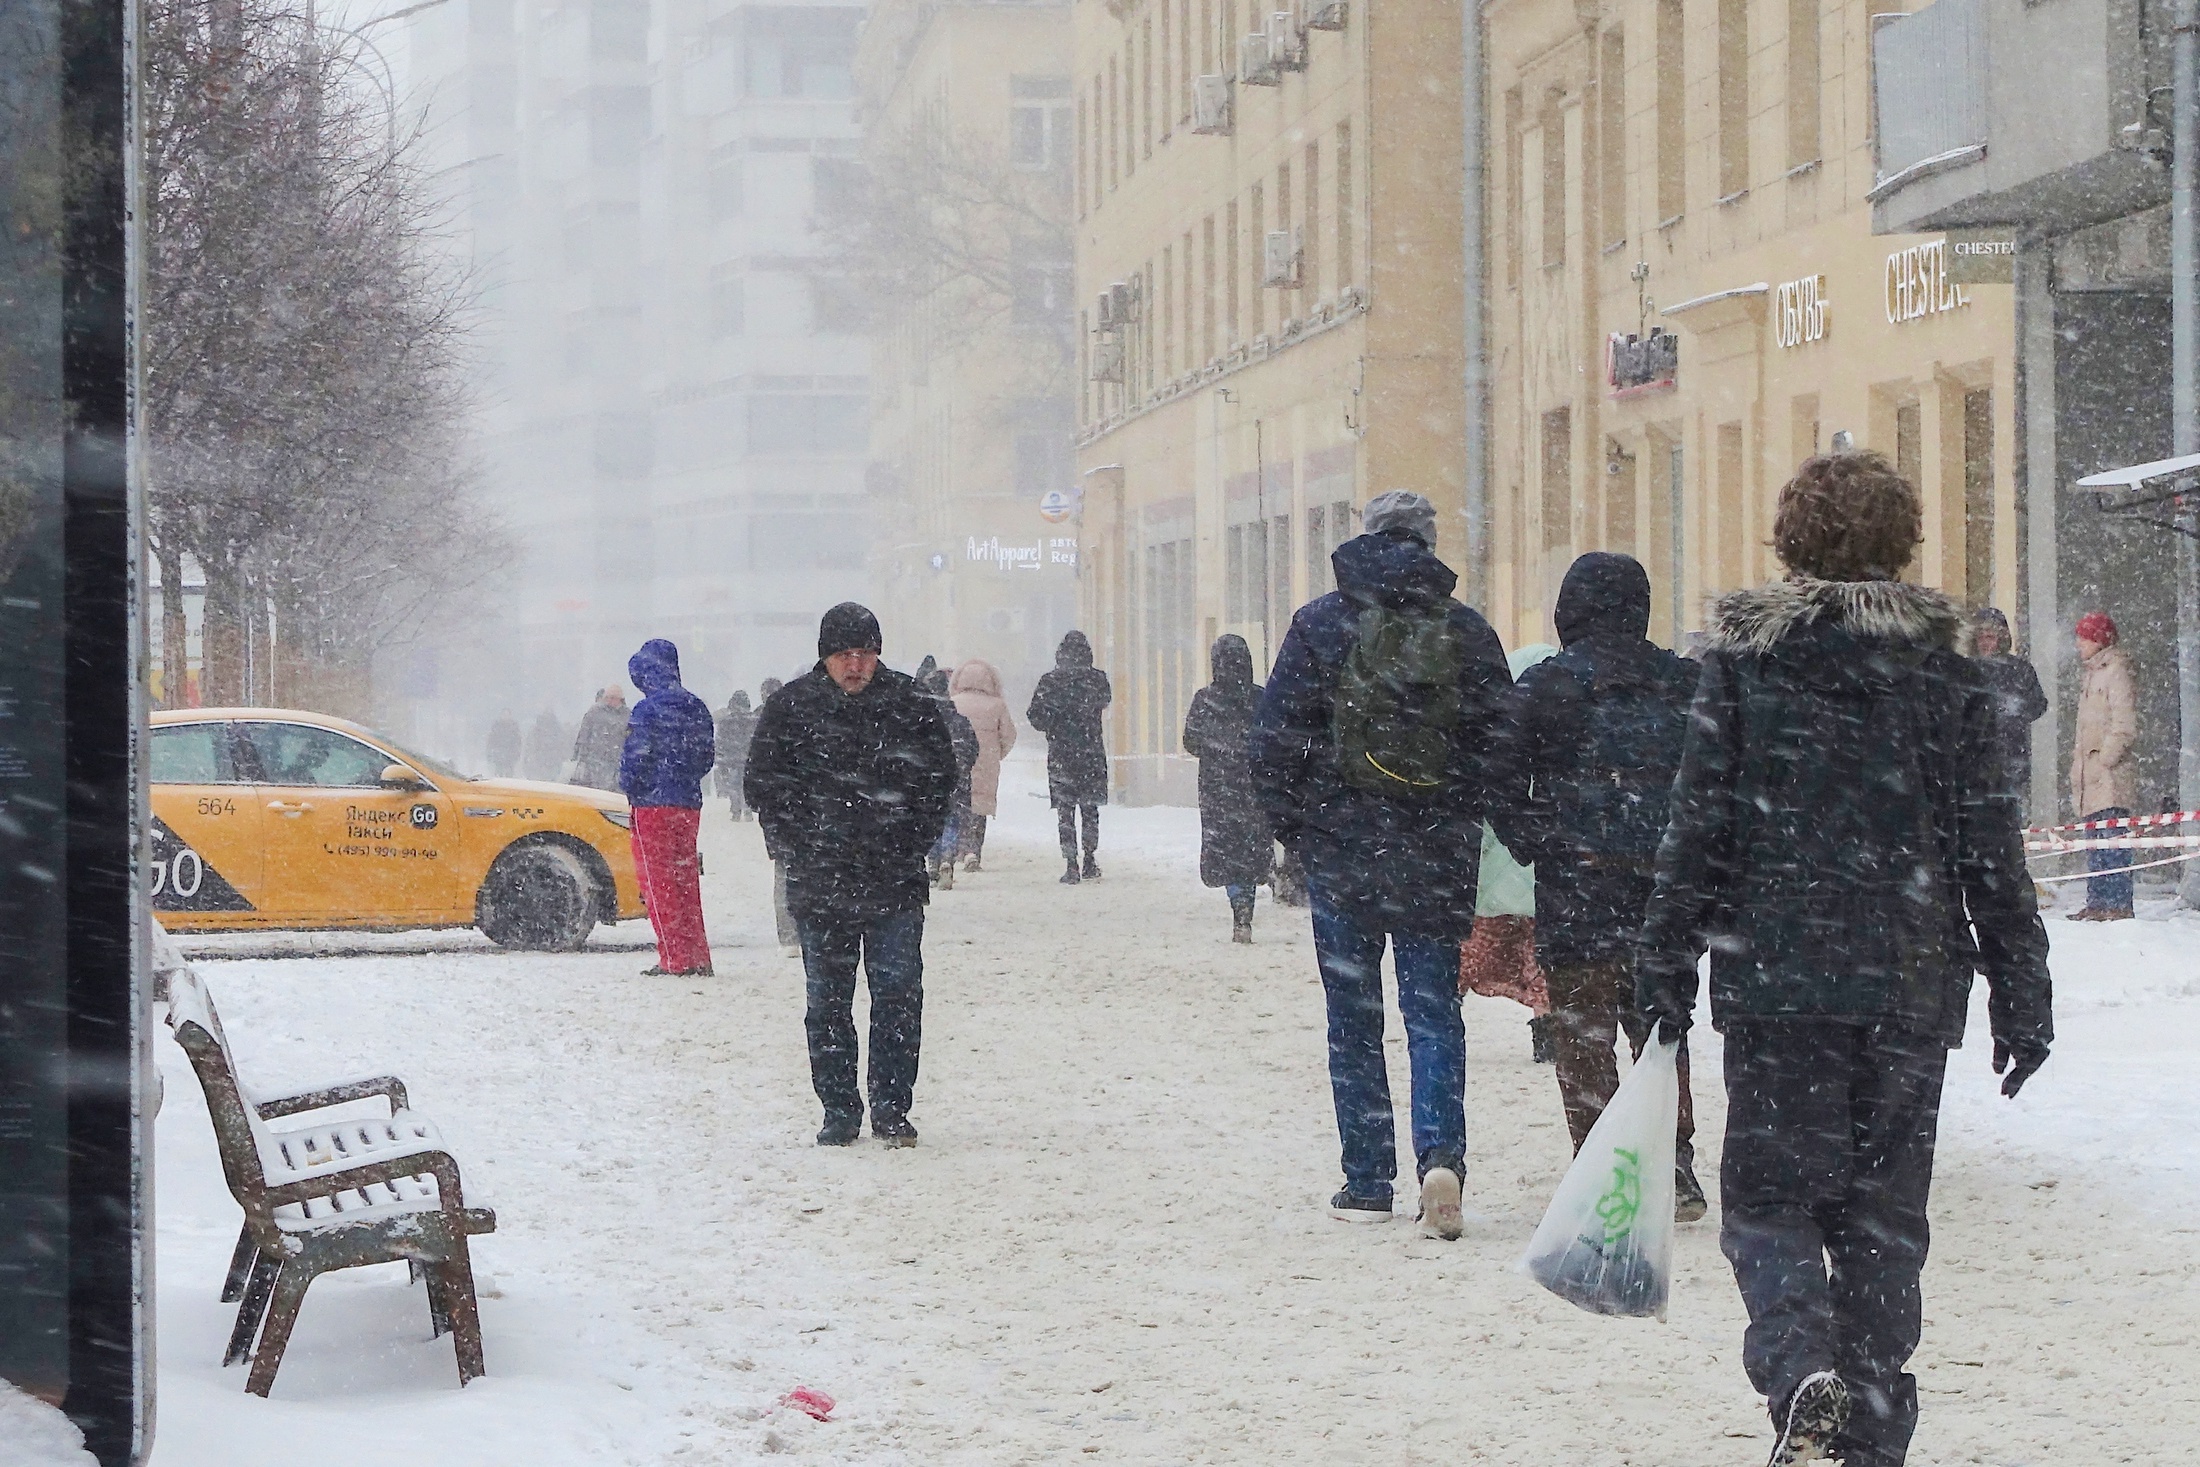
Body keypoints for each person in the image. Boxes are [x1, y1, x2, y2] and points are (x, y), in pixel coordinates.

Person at [1635, 452, 2051, 1467]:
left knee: (1772, 1204)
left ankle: (1798, 1370)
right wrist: (2021, 990)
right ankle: (1866, 1431)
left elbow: (1697, 831)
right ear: (1903, 545)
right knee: (1881, 1224)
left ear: (1791, 545)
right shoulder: (1950, 682)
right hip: (1909, 983)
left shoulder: (1741, 672)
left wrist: (1662, 968)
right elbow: (1990, 849)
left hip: (1776, 979)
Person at [1251, 489, 1512, 1239]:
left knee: (1353, 1017)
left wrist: (1302, 829)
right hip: (1434, 852)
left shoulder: (1320, 625)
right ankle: (1442, 1157)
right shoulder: (1463, 628)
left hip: (1345, 853)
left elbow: (1275, 739)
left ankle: (1367, 1176)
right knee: (1433, 1013)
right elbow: (1502, 736)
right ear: (1428, 545)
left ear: (1365, 541)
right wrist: (1463, 810)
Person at [1490, 552, 1706, 1222]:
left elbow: (1495, 776)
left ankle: (1602, 1169)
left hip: (1577, 884)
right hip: (1664, 888)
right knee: (1662, 1027)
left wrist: (1539, 838)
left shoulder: (1545, 687)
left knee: (1583, 1035)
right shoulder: (1686, 683)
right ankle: (1673, 1163)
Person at [744, 604, 956, 1147]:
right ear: (826, 657)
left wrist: (910, 839)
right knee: (828, 1002)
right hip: (822, 884)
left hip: (894, 881)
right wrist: (801, 841)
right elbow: (762, 786)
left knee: (897, 995)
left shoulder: (909, 705)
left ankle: (891, 1107)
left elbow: (940, 780)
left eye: (864, 653)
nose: (856, 665)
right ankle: (838, 1110)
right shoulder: (792, 708)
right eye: (844, 655)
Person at [1458, 643, 1557, 1062]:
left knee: (1469, 956)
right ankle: (1546, 1031)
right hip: (1540, 886)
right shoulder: (1561, 742)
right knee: (1540, 965)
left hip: (1492, 888)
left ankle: (1443, 1023)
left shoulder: (1497, 744)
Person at [619, 641, 718, 978]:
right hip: (688, 804)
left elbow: (635, 759)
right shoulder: (697, 707)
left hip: (652, 805)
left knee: (658, 882)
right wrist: (685, 777)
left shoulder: (646, 711)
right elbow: (706, 757)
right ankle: (697, 954)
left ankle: (674, 958)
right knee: (685, 879)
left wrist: (633, 786)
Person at [1182, 634, 1272, 942]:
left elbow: (1190, 740)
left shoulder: (1204, 699)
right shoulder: (1261, 698)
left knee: (1228, 851)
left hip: (1218, 788)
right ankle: (1245, 909)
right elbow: (1275, 737)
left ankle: (1238, 906)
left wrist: (1216, 750)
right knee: (1249, 850)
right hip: (1253, 787)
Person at [1028, 630, 1112, 884]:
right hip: (1091, 753)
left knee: (1065, 811)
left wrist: (1054, 721)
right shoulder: (1097, 679)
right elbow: (1104, 701)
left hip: (1061, 754)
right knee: (1090, 808)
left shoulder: (1050, 681)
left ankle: (1070, 863)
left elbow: (1035, 716)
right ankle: (1090, 858)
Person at [2069, 610, 2138, 921]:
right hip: (2091, 776)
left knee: (2113, 842)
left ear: (2098, 640)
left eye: (2084, 637)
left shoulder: (2115, 672)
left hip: (2107, 776)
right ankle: (2098, 901)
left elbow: (2124, 724)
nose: (2079, 644)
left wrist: (2104, 760)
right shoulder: (2091, 674)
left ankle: (2117, 903)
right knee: (2095, 842)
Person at [1969, 607, 2048, 819]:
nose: (1985, 643)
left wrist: (2015, 713)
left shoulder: (2020, 670)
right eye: (1981, 637)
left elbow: (2038, 703)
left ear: (2002, 639)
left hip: (2012, 757)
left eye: (1990, 637)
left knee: (2013, 817)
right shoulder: (1967, 670)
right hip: (1974, 761)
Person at [948, 659, 1018, 871]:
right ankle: (974, 850)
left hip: (958, 758)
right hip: (986, 760)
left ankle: (959, 848)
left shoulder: (953, 701)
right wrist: (996, 754)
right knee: (981, 804)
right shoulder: (997, 705)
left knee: (959, 803)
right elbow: (1009, 735)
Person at [918, 665, 979, 890]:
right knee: (952, 821)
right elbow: (973, 747)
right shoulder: (959, 719)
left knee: (933, 821)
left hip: (931, 779)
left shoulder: (923, 720)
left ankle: (933, 863)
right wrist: (964, 768)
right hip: (957, 776)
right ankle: (947, 860)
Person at [757, 677, 798, 954]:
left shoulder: (765, 728)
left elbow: (756, 779)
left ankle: (789, 937)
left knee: (784, 875)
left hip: (781, 814)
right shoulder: (803, 723)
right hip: (804, 812)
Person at [571, 687, 629, 790]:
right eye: (606, 697)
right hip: (593, 762)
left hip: (616, 765)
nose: (608, 700)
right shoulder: (594, 712)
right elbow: (583, 736)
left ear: (620, 699)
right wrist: (579, 757)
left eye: (612, 698)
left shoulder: (627, 716)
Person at [714, 690, 758, 821]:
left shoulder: (726, 721)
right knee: (746, 784)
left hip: (731, 758)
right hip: (747, 758)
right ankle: (748, 809)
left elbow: (720, 740)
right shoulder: (754, 720)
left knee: (733, 785)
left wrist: (719, 757)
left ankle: (736, 810)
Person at [521, 708, 566, 781]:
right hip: (541, 760)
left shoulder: (557, 730)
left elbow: (561, 745)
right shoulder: (536, 730)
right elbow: (529, 745)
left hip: (550, 760)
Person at [485, 711, 522, 777]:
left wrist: (516, 752)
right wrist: (490, 751)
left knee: (509, 773)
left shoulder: (514, 727)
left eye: (507, 715)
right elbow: (491, 739)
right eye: (504, 715)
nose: (505, 717)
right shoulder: (496, 726)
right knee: (499, 772)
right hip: (498, 753)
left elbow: (518, 741)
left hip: (510, 754)